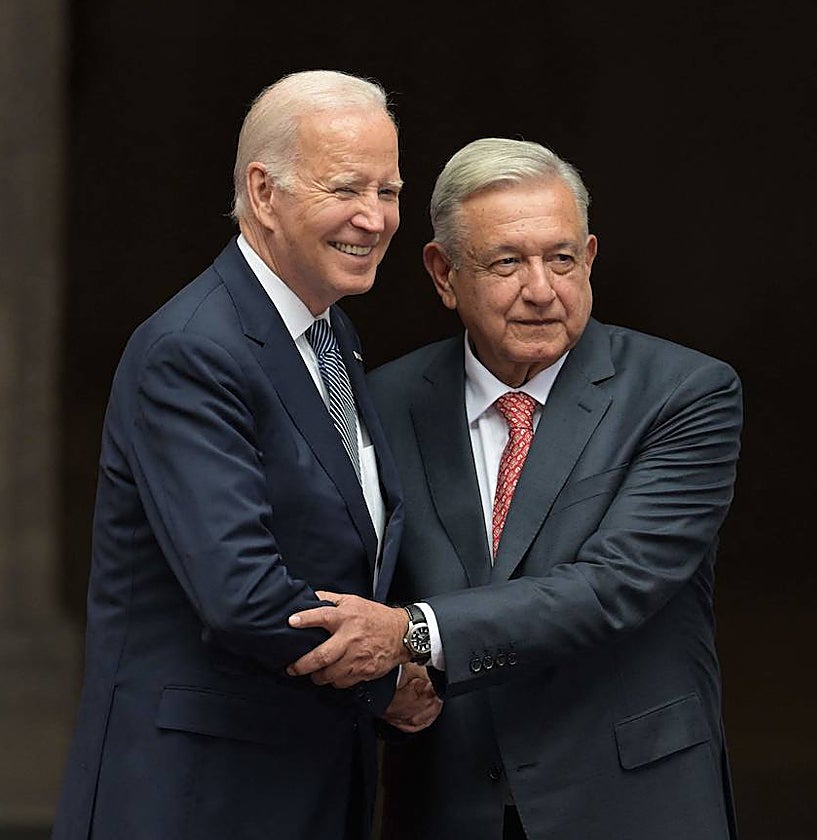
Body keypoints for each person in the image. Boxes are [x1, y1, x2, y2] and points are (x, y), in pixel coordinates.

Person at [290, 137, 742, 839]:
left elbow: (615, 584)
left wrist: (414, 633)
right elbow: (349, 584)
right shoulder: (381, 402)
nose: (540, 289)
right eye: (506, 262)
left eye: (561, 259)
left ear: (589, 259)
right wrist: (384, 684)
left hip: (628, 802)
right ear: (443, 274)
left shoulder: (683, 394)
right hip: (447, 802)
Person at [52, 70, 439, 840]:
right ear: (263, 193)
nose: (375, 218)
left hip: (303, 784)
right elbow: (242, 592)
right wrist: (388, 676)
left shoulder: (330, 334)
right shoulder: (192, 350)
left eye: (389, 191)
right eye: (346, 189)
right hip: (198, 798)